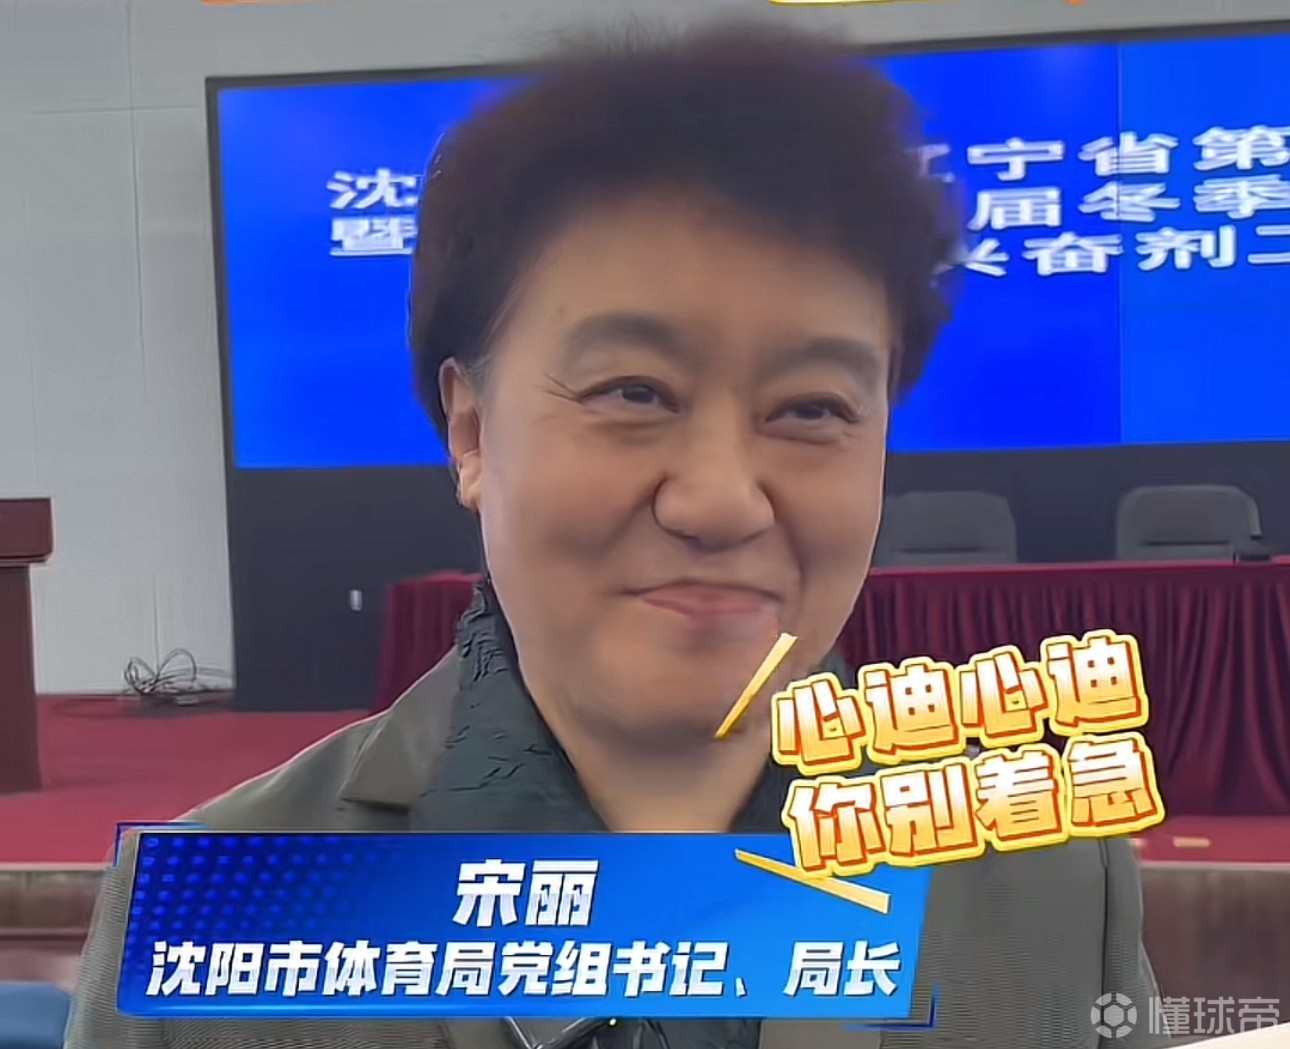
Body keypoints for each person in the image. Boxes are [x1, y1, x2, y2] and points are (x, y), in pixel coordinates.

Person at [66, 23, 1166, 1049]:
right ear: (472, 432)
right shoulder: (219, 908)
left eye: (812, 407)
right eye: (634, 390)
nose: (721, 501)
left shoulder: (1050, 878)